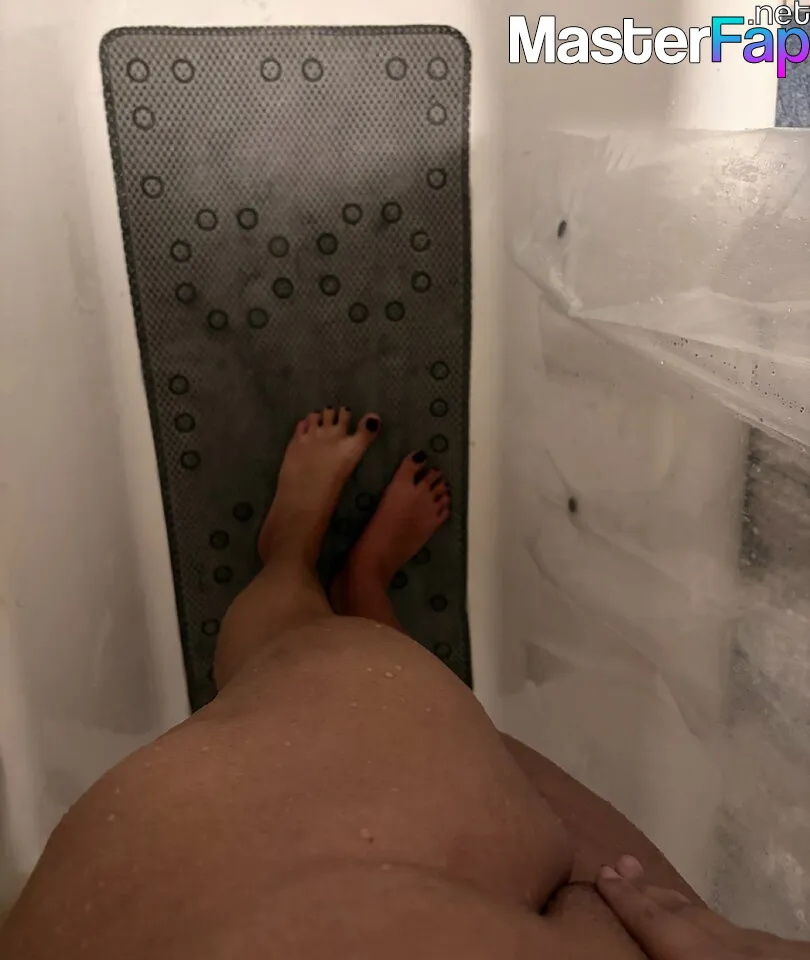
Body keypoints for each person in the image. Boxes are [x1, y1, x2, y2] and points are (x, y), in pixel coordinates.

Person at [1, 409, 806, 959]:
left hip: (249, 903)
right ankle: (364, 587)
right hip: (646, 921)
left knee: (307, 659)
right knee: (471, 740)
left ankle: (290, 551)